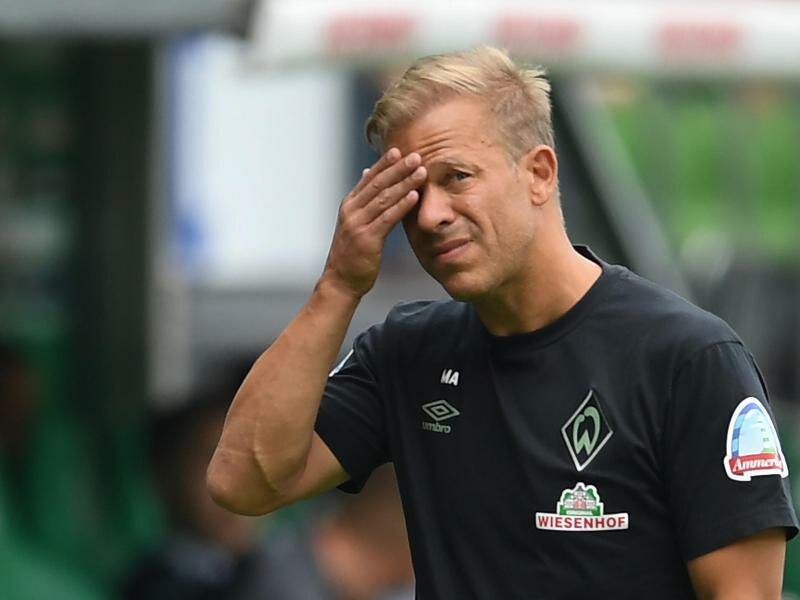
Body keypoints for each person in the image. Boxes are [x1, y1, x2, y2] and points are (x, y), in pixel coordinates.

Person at [207, 47, 798, 598]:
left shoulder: (688, 357)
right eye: (410, 195)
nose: (431, 215)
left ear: (539, 173)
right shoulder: (409, 352)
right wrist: (336, 287)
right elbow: (244, 482)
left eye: (456, 178)